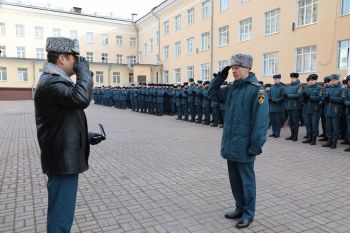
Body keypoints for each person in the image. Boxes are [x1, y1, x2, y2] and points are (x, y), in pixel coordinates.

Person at [34, 37, 105, 232]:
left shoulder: (55, 81)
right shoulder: (51, 82)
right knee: (61, 217)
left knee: (61, 212)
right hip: (61, 160)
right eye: (75, 58)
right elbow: (80, 99)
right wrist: (84, 73)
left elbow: (63, 119)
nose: (77, 62)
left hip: (61, 156)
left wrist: (85, 135)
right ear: (62, 59)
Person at [208, 53, 269, 229]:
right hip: (230, 143)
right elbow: (211, 93)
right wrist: (221, 76)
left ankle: (248, 214)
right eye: (232, 68)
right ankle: (239, 208)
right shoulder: (232, 89)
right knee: (234, 180)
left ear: (248, 68)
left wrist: (255, 146)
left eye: (237, 68)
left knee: (247, 181)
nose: (234, 71)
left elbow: (261, 121)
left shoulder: (257, 90)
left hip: (245, 145)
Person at [285, 73, 302, 141]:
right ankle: (292, 134)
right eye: (291, 78)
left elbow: (299, 95)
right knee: (291, 121)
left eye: (294, 78)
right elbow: (286, 94)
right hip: (289, 105)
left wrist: (289, 96)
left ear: (297, 78)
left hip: (295, 105)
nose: (292, 79)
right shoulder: (289, 86)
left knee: (295, 121)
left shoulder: (299, 86)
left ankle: (295, 136)